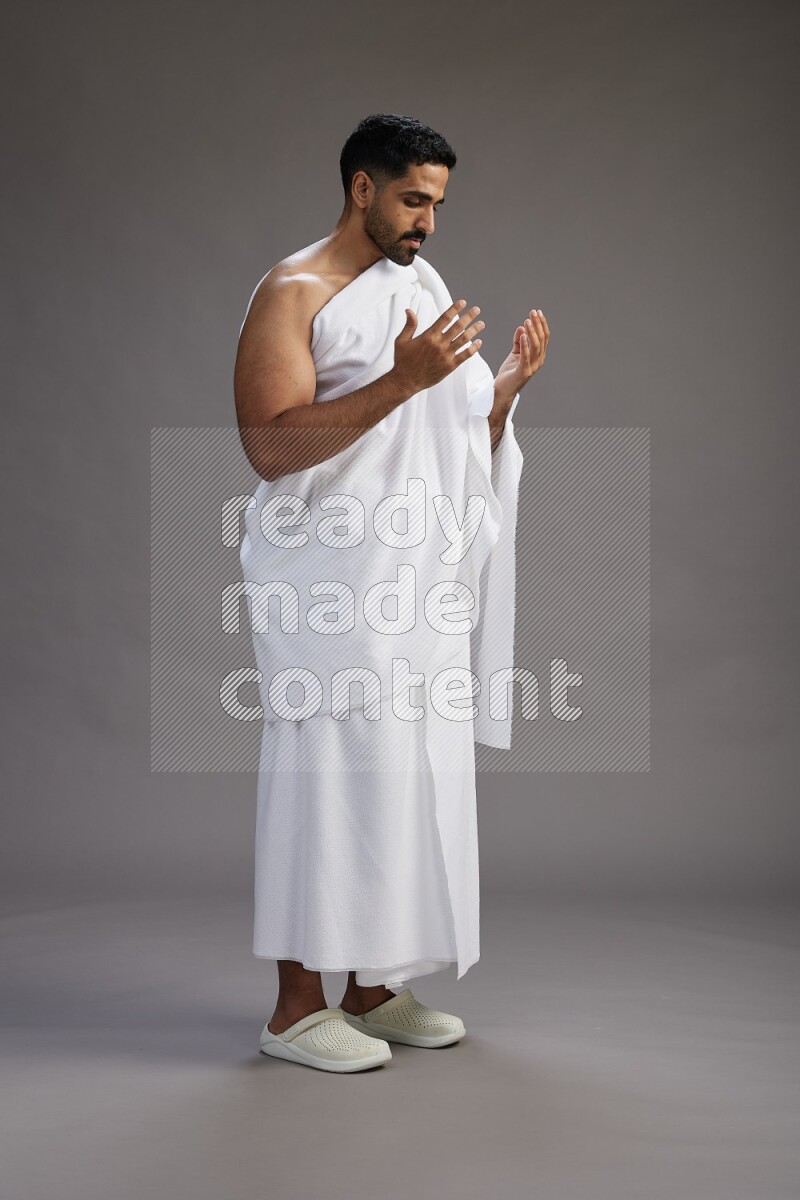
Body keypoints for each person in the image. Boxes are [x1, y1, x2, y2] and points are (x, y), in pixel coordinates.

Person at [234, 113, 550, 1073]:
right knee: (326, 782)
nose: (428, 223)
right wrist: (405, 382)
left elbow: (441, 446)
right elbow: (272, 445)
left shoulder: (422, 285)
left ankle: (370, 990)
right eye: (415, 199)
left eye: (439, 204)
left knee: (409, 779)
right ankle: (296, 1008)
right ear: (362, 189)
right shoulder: (292, 294)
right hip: (329, 587)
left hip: (415, 587)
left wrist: (493, 401)